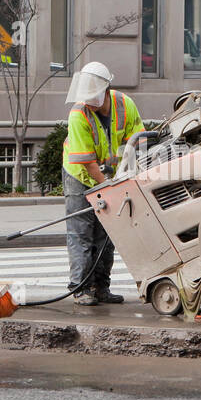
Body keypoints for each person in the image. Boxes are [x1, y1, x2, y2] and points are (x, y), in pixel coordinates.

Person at [61, 61, 144, 305]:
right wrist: (108, 187)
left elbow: (136, 142)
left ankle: (101, 287)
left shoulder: (125, 105)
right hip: (80, 177)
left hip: (111, 176)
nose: (87, 101)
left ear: (106, 90)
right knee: (82, 232)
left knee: (107, 233)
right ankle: (80, 287)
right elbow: (87, 162)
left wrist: (125, 176)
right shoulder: (78, 114)